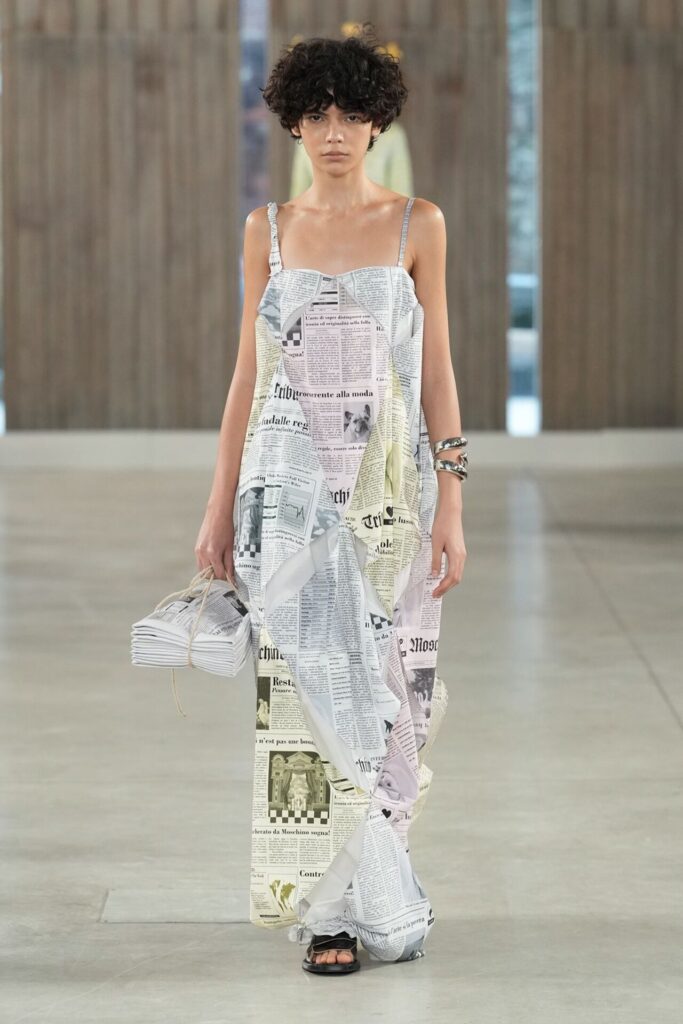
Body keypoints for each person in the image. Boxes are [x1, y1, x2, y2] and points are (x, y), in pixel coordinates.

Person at [194, 24, 467, 976]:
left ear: (378, 122)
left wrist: (453, 501)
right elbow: (247, 374)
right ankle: (331, 917)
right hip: (284, 492)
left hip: (390, 496)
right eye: (317, 115)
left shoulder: (417, 224)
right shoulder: (266, 231)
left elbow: (437, 371)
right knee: (303, 702)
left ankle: (382, 889)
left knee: (389, 697)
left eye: (352, 115)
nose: (335, 132)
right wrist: (218, 505)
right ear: (293, 125)